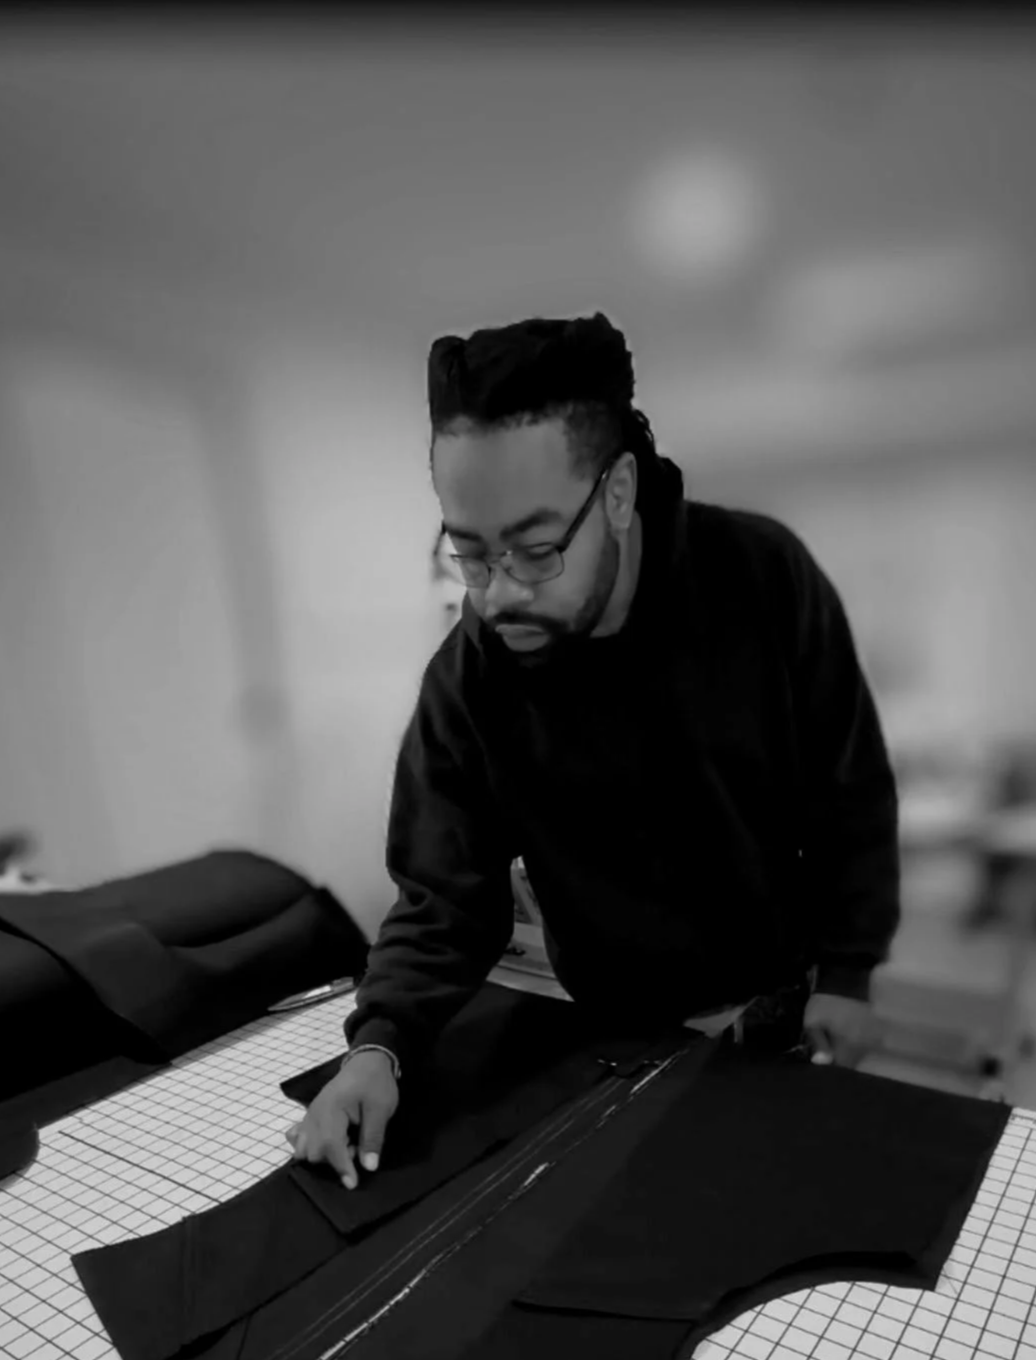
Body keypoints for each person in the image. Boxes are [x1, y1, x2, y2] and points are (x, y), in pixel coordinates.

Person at [289, 313, 900, 1187]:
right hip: (604, 1018)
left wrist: (848, 971)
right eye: (468, 554)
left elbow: (850, 792)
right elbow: (442, 899)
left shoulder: (761, 579)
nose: (497, 595)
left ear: (615, 493)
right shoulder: (469, 678)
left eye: (535, 551)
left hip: (779, 996)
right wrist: (377, 1048)